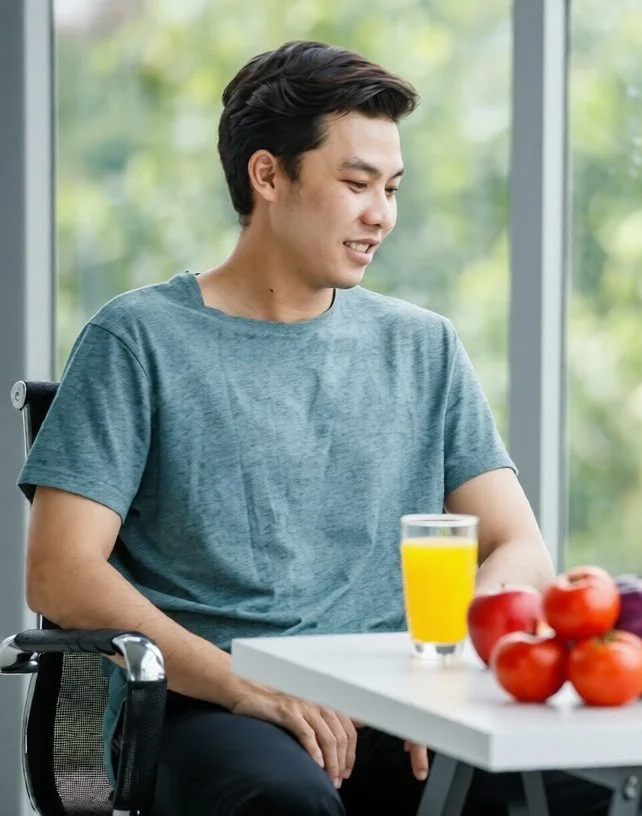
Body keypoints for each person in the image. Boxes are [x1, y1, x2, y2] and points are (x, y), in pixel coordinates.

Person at [18, 40, 609, 816]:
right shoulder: (138, 339)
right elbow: (59, 571)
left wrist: (441, 670)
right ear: (268, 176)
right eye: (356, 184)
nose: (382, 215)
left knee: (599, 791)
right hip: (210, 705)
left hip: (393, 702)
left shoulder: (422, 346)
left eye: (392, 188)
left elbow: (518, 548)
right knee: (281, 801)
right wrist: (242, 685)